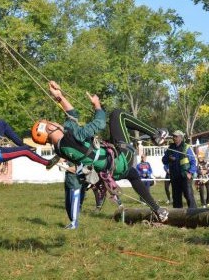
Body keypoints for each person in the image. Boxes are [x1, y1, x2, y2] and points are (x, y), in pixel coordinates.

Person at [31, 81, 169, 222]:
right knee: (118, 114)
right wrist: (97, 105)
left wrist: (59, 96)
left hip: (111, 172)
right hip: (119, 161)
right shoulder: (70, 138)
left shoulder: (61, 146)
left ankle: (158, 210)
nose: (54, 122)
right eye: (50, 123)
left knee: (133, 176)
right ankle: (156, 135)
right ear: (49, 129)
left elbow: (71, 114)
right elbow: (100, 123)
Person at [162, 130, 197, 209]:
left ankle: (194, 213)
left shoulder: (186, 147)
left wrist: (190, 173)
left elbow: (193, 162)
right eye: (173, 136)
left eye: (176, 136)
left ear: (181, 137)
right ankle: (177, 215)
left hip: (185, 176)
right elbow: (164, 160)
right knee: (176, 197)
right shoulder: (170, 148)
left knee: (188, 195)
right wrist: (169, 158)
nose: (174, 138)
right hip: (174, 176)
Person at [61, 160, 87, 229]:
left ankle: (74, 224)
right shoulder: (68, 156)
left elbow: (75, 169)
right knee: (68, 205)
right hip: (68, 182)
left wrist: (63, 166)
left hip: (75, 183)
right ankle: (72, 222)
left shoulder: (75, 156)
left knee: (74, 205)